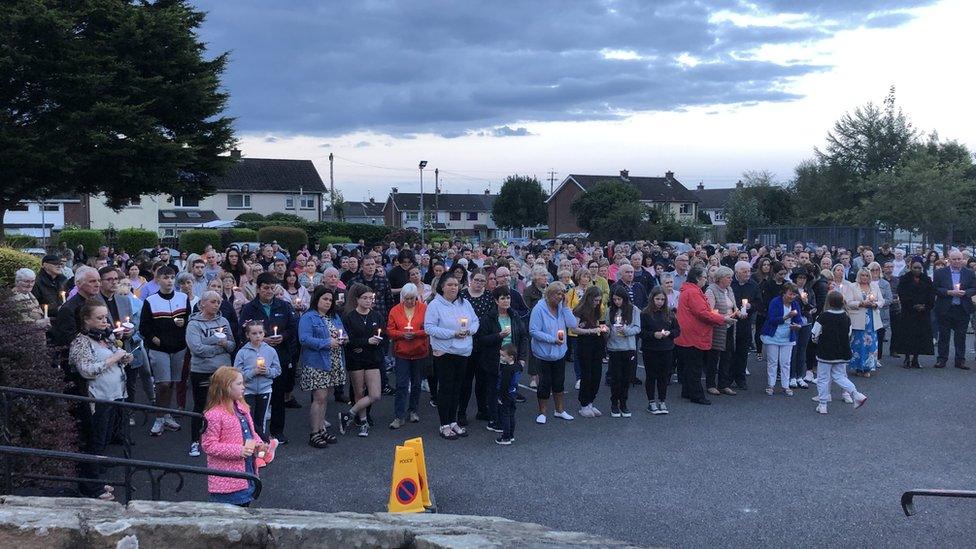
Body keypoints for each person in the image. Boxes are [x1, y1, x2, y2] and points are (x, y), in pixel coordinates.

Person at [69, 300, 132, 500]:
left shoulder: (107, 338)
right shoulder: (81, 342)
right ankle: (90, 488)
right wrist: (114, 359)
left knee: (104, 440)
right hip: (97, 400)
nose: (105, 321)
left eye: (105, 317)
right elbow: (87, 370)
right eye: (99, 318)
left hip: (115, 395)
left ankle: (97, 481)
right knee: (93, 442)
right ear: (86, 320)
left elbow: (113, 359)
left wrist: (123, 358)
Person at [239, 272, 299, 444]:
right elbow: (242, 331)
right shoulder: (250, 308)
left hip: (279, 355)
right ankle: (255, 432)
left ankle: (277, 431)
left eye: (272, 288)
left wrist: (283, 336)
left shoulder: (284, 306)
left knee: (279, 395)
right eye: (266, 288)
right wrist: (260, 339)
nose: (269, 291)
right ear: (258, 289)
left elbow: (293, 327)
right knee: (255, 398)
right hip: (254, 357)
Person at [201, 366, 268, 507]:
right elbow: (209, 445)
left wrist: (259, 443)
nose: (243, 387)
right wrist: (239, 451)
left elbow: (250, 432)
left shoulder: (242, 407)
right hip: (226, 481)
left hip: (246, 472)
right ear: (225, 387)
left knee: (244, 509)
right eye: (239, 384)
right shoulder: (213, 414)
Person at [424, 275, 479, 440]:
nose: (454, 287)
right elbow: (429, 328)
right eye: (450, 284)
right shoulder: (434, 305)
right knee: (446, 388)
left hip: (463, 352)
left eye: (456, 284)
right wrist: (452, 334)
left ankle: (453, 420)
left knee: (458, 388)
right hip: (445, 352)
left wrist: (470, 331)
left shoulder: (465, 303)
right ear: (442, 287)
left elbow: (475, 321)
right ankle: (444, 424)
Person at [139, 266, 190, 436]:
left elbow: (188, 319)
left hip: (179, 347)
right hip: (159, 348)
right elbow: (144, 326)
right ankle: (159, 417)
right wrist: (155, 339)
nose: (169, 281)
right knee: (163, 383)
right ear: (158, 280)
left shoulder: (183, 298)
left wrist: (184, 323)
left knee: (174, 382)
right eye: (165, 278)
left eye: (172, 278)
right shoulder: (151, 301)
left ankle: (167, 414)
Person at [185, 290, 236, 457]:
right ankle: (194, 440)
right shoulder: (194, 324)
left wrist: (224, 345)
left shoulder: (223, 321)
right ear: (202, 304)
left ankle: (222, 438)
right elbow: (196, 349)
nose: (216, 305)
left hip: (223, 370)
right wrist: (218, 347)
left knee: (225, 404)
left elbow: (231, 345)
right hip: (202, 370)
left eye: (218, 302)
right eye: (213, 302)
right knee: (201, 406)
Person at [476, 285, 528, 432]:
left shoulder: (514, 316)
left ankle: (507, 419)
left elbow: (523, 337)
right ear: (496, 301)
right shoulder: (489, 317)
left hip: (512, 362)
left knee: (510, 390)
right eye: (503, 298)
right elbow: (482, 339)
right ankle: (494, 420)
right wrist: (498, 336)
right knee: (494, 391)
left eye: (508, 297)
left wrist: (522, 359)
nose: (506, 301)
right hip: (494, 361)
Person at [298, 287, 346, 448]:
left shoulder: (334, 316)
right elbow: (304, 339)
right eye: (325, 299)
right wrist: (326, 343)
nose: (328, 302)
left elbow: (343, 332)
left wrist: (343, 338)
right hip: (317, 362)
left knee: (326, 398)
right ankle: (314, 433)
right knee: (319, 398)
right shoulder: (308, 317)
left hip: (334, 361)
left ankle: (321, 428)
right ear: (317, 299)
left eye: (330, 300)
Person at [337, 283, 386, 438]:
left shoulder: (376, 316)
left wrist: (370, 344)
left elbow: (383, 337)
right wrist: (366, 342)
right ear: (357, 299)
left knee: (375, 394)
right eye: (364, 298)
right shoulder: (349, 317)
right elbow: (348, 340)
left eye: (370, 298)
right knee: (359, 392)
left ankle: (349, 414)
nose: (368, 301)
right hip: (356, 359)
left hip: (373, 359)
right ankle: (363, 422)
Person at [674, 267, 727, 405]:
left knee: (689, 366)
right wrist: (722, 319)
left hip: (687, 334)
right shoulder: (693, 292)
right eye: (704, 277)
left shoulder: (689, 290)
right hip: (694, 334)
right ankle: (697, 395)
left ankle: (687, 391)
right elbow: (702, 313)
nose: (706, 280)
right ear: (697, 278)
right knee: (695, 367)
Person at [528, 281, 579, 424]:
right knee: (545, 383)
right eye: (558, 293)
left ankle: (560, 410)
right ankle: (542, 412)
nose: (561, 296)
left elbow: (572, 324)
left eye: (563, 293)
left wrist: (566, 307)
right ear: (549, 294)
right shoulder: (539, 308)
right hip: (543, 353)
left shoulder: (562, 307)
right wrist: (552, 340)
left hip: (560, 352)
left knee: (559, 382)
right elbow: (533, 331)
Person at [811, 291, 868, 414]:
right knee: (839, 376)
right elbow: (848, 334)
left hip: (825, 352)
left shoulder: (823, 316)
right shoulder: (846, 317)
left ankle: (823, 404)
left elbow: (814, 334)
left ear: (829, 302)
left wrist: (817, 341)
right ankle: (856, 394)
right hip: (842, 352)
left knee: (823, 378)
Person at [386, 283, 429, 429]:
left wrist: (416, 334)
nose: (410, 301)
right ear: (402, 297)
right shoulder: (395, 310)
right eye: (407, 298)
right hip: (402, 352)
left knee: (416, 383)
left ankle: (413, 410)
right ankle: (399, 415)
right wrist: (402, 335)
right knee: (401, 384)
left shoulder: (424, 308)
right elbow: (390, 330)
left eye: (413, 298)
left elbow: (429, 328)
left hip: (419, 351)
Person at [233, 322, 281, 441]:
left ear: (264, 334)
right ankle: (249, 443)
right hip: (247, 390)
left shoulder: (270, 351)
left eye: (260, 333)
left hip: (265, 389)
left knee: (261, 419)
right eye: (254, 333)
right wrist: (253, 372)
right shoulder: (242, 352)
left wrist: (267, 371)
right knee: (249, 418)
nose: (258, 336)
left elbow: (277, 370)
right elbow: (237, 373)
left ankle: (262, 445)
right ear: (248, 335)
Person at [932, 250, 975, 369]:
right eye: (954, 259)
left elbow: (974, 288)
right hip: (946, 307)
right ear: (949, 260)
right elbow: (935, 288)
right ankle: (941, 359)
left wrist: (965, 292)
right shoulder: (940, 273)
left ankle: (960, 360)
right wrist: (948, 292)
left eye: (959, 259)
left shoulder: (969, 273)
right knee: (944, 335)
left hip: (962, 308)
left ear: (963, 260)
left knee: (961, 336)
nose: (957, 261)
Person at [641, 287, 680, 414]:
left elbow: (677, 330)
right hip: (650, 349)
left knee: (664, 377)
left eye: (663, 299)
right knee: (651, 376)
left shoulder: (669, 313)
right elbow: (641, 332)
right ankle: (651, 402)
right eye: (657, 299)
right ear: (652, 299)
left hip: (667, 348)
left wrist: (670, 333)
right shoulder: (645, 314)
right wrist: (653, 335)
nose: (660, 302)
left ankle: (662, 401)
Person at [760, 283, 803, 396]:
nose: (792, 297)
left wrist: (798, 326)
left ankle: (785, 385)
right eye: (790, 294)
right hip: (773, 335)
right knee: (772, 361)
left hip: (787, 336)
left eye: (794, 294)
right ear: (784, 293)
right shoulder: (775, 302)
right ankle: (771, 385)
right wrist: (787, 317)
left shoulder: (795, 304)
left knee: (785, 362)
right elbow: (772, 319)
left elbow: (799, 319)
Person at [605, 286, 641, 417]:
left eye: (619, 299)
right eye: (614, 299)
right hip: (614, 348)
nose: (617, 302)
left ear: (624, 298)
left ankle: (624, 403)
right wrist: (607, 332)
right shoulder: (610, 310)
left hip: (628, 347)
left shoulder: (634, 310)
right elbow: (608, 326)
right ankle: (614, 403)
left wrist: (627, 331)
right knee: (616, 377)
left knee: (626, 377)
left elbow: (637, 328)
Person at [703, 266, 739, 396]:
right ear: (720, 278)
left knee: (727, 356)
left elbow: (733, 305)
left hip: (729, 326)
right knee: (714, 356)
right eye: (728, 277)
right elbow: (710, 311)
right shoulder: (711, 290)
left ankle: (724, 384)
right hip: (717, 328)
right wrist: (723, 318)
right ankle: (711, 384)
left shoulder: (729, 289)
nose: (731, 279)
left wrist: (738, 312)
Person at [893, 259, 935, 368]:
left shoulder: (927, 279)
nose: (917, 270)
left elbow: (931, 294)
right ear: (911, 267)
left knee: (920, 336)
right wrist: (913, 305)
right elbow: (902, 294)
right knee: (908, 335)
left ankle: (916, 358)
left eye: (919, 268)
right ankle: (907, 358)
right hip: (909, 312)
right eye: (915, 267)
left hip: (923, 313)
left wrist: (925, 306)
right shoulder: (904, 279)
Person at [842, 268, 883, 377]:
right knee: (858, 343)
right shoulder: (852, 286)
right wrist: (860, 303)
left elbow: (881, 300)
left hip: (872, 319)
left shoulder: (874, 286)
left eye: (866, 275)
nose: (864, 277)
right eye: (862, 275)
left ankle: (868, 367)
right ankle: (858, 367)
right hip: (859, 318)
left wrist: (875, 304)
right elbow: (848, 301)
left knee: (871, 344)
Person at [730, 261, 759, 390]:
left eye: (749, 271)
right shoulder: (730, 283)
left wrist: (750, 306)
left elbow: (759, 303)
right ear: (737, 272)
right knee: (729, 351)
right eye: (744, 271)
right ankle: (727, 378)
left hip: (745, 322)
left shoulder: (753, 285)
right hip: (730, 321)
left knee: (743, 351)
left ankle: (740, 378)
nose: (748, 274)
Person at [494, 343, 522, 445]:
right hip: (513, 394)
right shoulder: (517, 367)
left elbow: (504, 385)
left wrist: (501, 397)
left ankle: (505, 437)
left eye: (503, 356)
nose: (501, 357)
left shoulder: (506, 369)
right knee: (511, 414)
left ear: (511, 357)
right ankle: (511, 435)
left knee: (505, 415)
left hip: (506, 395)